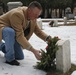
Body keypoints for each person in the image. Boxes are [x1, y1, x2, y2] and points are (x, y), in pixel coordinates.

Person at [0, 1, 51, 66]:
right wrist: (34, 51)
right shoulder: (17, 14)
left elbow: (38, 32)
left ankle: (1, 46)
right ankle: (9, 59)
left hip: (12, 33)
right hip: (2, 28)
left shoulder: (32, 18)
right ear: (29, 10)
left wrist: (49, 39)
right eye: (35, 15)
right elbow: (19, 36)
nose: (36, 17)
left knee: (19, 56)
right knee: (10, 32)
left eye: (38, 15)